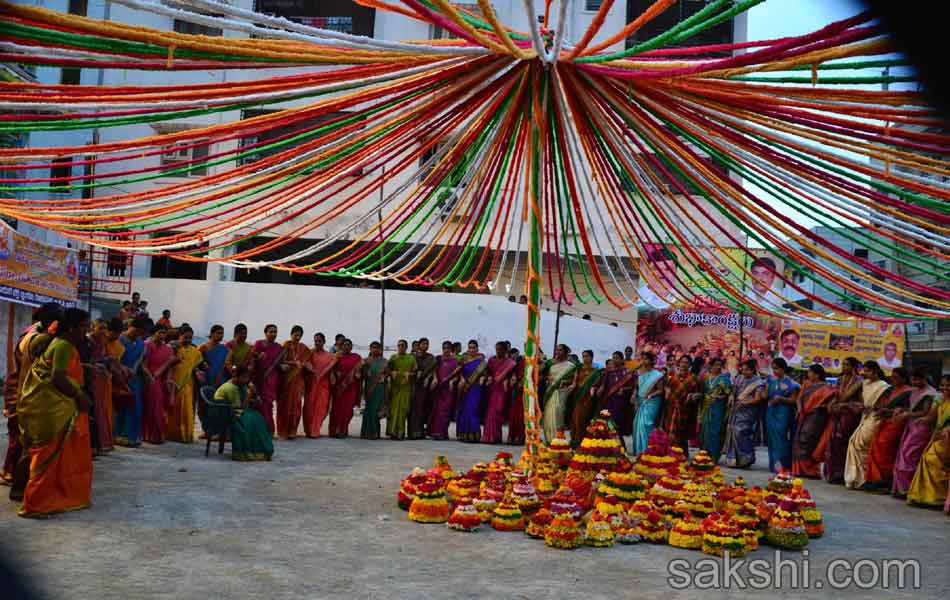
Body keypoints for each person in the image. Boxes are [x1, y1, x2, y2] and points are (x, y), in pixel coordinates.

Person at [16, 308, 93, 518]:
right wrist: (79, 396)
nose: (87, 331)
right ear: (73, 327)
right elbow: (57, 377)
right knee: (45, 459)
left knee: (48, 457)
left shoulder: (61, 344)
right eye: (85, 327)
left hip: (54, 408)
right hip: (52, 410)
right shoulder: (64, 346)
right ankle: (34, 505)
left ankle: (44, 499)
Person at [4, 303, 64, 497]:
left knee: (27, 445)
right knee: (27, 446)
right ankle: (19, 486)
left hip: (31, 395)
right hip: (29, 396)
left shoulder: (36, 334)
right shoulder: (35, 338)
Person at [864, 367, 914, 491]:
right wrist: (875, 409)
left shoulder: (909, 392)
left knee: (885, 448)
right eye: (893, 377)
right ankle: (874, 478)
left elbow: (908, 409)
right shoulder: (890, 389)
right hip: (884, 421)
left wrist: (889, 411)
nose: (894, 379)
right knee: (875, 446)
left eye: (897, 377)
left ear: (904, 378)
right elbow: (882, 404)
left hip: (896, 423)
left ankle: (885, 479)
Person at [843, 361, 892, 489]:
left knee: (862, 445)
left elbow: (883, 405)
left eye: (867, 371)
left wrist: (871, 408)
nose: (864, 373)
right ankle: (857, 478)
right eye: (863, 371)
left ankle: (864, 477)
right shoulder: (864, 383)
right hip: (865, 417)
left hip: (875, 418)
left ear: (875, 371)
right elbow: (847, 397)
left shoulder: (883, 386)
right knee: (853, 443)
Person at [892, 369, 940, 497]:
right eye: (913, 379)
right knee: (904, 454)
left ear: (924, 379)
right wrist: (902, 410)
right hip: (911, 425)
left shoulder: (930, 394)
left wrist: (907, 414)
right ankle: (902, 487)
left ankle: (907, 488)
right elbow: (912, 408)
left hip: (921, 428)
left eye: (917, 379)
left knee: (909, 455)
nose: (914, 382)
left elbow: (925, 412)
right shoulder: (915, 391)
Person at [906, 375, 950, 508]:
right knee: (927, 459)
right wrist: (922, 420)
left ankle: (939, 496)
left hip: (946, 438)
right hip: (938, 437)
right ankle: (928, 496)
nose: (944, 388)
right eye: (942, 385)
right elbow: (931, 416)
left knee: (932, 460)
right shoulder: (940, 399)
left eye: (948, 385)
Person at [214, 367, 273, 461]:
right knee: (250, 421)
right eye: (244, 377)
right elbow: (241, 407)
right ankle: (244, 452)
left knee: (258, 418)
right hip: (225, 413)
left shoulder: (240, 385)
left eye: (247, 377)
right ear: (236, 376)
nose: (246, 380)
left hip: (234, 410)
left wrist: (255, 396)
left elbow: (244, 404)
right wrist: (249, 395)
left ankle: (260, 451)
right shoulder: (231, 388)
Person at [791, 364, 836, 478]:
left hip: (816, 417)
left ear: (817, 375)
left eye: (810, 372)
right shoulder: (806, 384)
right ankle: (800, 470)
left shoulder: (826, 388)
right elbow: (799, 398)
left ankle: (811, 470)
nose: (808, 374)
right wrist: (800, 408)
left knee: (810, 441)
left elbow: (830, 402)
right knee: (800, 440)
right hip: (803, 415)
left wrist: (821, 406)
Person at [824, 357, 864, 483]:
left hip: (850, 414)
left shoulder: (859, 381)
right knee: (834, 442)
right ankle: (834, 473)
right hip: (838, 413)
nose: (844, 367)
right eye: (843, 364)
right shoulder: (840, 379)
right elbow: (837, 395)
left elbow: (861, 401)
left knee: (843, 442)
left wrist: (845, 405)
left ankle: (844, 473)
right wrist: (832, 404)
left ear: (853, 367)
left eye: (847, 365)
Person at [722, 360, 765, 468]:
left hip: (748, 411)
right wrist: (731, 397)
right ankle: (733, 459)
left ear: (752, 370)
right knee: (732, 431)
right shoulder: (739, 378)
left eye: (747, 370)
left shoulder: (758, 382)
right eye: (743, 369)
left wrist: (745, 403)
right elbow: (734, 391)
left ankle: (746, 458)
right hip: (736, 409)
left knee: (741, 432)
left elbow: (757, 399)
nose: (744, 371)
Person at [114, 318, 148, 448]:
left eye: (141, 332)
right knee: (120, 408)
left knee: (135, 408)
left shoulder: (141, 344)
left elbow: (139, 363)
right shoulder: (119, 340)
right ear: (130, 326)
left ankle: (131, 437)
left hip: (133, 379)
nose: (138, 334)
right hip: (118, 377)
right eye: (136, 330)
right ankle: (117, 435)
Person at [141, 324, 178, 444]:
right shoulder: (147, 345)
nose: (162, 335)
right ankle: (152, 435)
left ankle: (157, 434)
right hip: (149, 378)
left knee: (160, 407)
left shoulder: (168, 349)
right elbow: (143, 364)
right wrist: (150, 378)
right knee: (153, 406)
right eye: (160, 332)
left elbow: (170, 367)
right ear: (154, 333)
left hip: (162, 380)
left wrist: (168, 380)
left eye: (164, 333)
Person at [165, 325, 202, 444]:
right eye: (185, 337)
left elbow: (195, 366)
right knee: (172, 409)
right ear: (179, 336)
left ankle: (185, 435)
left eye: (190, 338)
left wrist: (198, 372)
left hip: (187, 384)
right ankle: (171, 434)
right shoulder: (172, 348)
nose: (188, 340)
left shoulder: (195, 351)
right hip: (173, 383)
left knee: (186, 409)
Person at [764, 358, 800, 473]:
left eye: (777, 368)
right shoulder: (769, 381)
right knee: (771, 438)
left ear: (783, 369)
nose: (774, 371)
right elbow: (765, 396)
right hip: (770, 411)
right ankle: (774, 465)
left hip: (783, 412)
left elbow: (794, 400)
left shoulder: (792, 383)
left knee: (781, 437)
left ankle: (784, 466)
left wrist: (781, 399)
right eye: (773, 368)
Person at [276, 325, 310, 440]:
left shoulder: (304, 348)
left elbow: (308, 361)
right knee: (284, 405)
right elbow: (280, 360)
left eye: (299, 335)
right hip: (287, 379)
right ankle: (282, 431)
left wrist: (306, 366)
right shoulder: (286, 345)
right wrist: (293, 363)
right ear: (291, 334)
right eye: (295, 334)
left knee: (296, 405)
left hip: (298, 380)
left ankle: (292, 431)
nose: (297, 337)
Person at [661, 355, 699, 457]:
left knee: (681, 434)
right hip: (671, 409)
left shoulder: (693, 379)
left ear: (690, 365)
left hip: (685, 411)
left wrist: (693, 396)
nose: (684, 364)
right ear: (679, 363)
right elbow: (667, 394)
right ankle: (669, 455)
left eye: (686, 362)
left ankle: (681, 456)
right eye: (682, 362)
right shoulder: (672, 378)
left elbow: (698, 395)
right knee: (669, 432)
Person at [697, 357, 731, 463]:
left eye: (720, 364)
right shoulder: (705, 378)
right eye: (716, 364)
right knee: (704, 431)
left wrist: (718, 398)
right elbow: (701, 392)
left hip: (718, 407)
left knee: (715, 431)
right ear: (711, 366)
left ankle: (714, 456)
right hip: (705, 407)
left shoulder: (724, 379)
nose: (718, 366)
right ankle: (703, 454)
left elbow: (728, 394)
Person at [541, 344, 576, 444]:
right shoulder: (549, 363)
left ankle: (559, 439)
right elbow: (540, 372)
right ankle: (549, 439)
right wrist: (547, 377)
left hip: (562, 391)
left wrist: (566, 382)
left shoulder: (571, 365)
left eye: (560, 350)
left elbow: (574, 380)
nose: (558, 352)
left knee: (558, 412)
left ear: (565, 352)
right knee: (547, 414)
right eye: (557, 350)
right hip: (550, 391)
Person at [303, 332, 336, 438]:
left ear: (324, 342)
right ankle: (309, 430)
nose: (317, 343)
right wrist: (311, 370)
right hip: (312, 385)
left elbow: (332, 371)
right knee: (309, 408)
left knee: (321, 409)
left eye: (319, 341)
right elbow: (304, 364)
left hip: (324, 386)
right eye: (315, 341)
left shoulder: (330, 356)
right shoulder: (309, 353)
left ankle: (315, 431)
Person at [632, 352, 665, 456]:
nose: (644, 361)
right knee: (637, 425)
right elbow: (636, 388)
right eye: (643, 358)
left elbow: (660, 390)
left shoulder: (657, 375)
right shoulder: (638, 373)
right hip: (640, 401)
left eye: (646, 359)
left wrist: (651, 395)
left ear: (652, 361)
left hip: (652, 402)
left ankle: (648, 451)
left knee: (646, 424)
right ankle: (639, 451)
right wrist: (633, 395)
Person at [483, 341, 517, 444]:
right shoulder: (492, 360)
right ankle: (489, 437)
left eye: (500, 349)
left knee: (498, 412)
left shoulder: (510, 363)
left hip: (502, 390)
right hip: (493, 388)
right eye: (496, 349)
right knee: (491, 413)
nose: (498, 351)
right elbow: (487, 371)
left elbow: (512, 375)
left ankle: (496, 436)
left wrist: (509, 380)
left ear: (505, 350)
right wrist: (488, 377)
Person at [252, 324, 282, 435]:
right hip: (260, 377)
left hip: (272, 379)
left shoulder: (279, 347)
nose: (273, 334)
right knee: (259, 403)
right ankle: (259, 429)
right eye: (271, 332)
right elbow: (252, 356)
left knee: (268, 404)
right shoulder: (259, 343)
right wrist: (258, 355)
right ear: (265, 333)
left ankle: (269, 430)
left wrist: (283, 366)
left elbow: (280, 363)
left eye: (275, 332)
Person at [568, 350, 602, 447]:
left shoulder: (596, 372)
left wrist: (593, 388)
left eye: (587, 356)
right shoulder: (579, 369)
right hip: (578, 396)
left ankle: (584, 441)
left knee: (585, 418)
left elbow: (597, 384)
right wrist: (570, 388)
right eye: (583, 356)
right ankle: (576, 440)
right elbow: (575, 381)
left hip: (588, 398)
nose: (584, 358)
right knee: (576, 418)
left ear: (591, 357)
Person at [329, 339, 362, 438]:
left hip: (351, 388)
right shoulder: (336, 356)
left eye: (349, 345)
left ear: (351, 347)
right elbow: (330, 369)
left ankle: (343, 430)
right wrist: (335, 374)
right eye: (345, 345)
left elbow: (362, 370)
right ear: (341, 346)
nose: (347, 347)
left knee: (347, 410)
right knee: (337, 410)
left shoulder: (356, 357)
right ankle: (335, 431)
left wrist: (359, 374)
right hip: (339, 388)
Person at [428, 341, 460, 440]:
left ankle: (443, 432)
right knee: (436, 410)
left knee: (445, 411)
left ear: (451, 349)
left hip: (448, 390)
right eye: (444, 348)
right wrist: (435, 378)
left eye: (448, 348)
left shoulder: (455, 361)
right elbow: (433, 370)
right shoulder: (438, 359)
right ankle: (435, 432)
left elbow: (458, 375)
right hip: (438, 388)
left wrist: (452, 381)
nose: (446, 350)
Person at [456, 340, 486, 443]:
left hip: (476, 388)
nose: (472, 349)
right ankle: (464, 435)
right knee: (464, 410)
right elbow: (459, 372)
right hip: (465, 388)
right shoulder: (464, 361)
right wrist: (462, 379)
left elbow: (485, 373)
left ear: (477, 349)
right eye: (470, 347)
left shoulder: (481, 362)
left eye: (474, 347)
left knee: (473, 410)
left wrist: (483, 378)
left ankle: (474, 435)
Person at [386, 339, 416, 441]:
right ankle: (392, 432)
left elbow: (416, 372)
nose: (400, 347)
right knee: (393, 411)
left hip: (405, 388)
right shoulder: (393, 358)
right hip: (394, 388)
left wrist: (409, 374)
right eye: (399, 345)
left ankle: (400, 433)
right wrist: (391, 372)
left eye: (402, 345)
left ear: (406, 347)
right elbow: (386, 370)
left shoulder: (411, 358)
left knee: (403, 411)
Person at [599, 352, 634, 434]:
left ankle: (618, 439)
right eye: (613, 357)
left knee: (617, 419)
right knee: (608, 417)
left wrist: (623, 389)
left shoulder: (626, 372)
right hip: (609, 398)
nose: (614, 360)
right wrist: (601, 388)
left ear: (622, 360)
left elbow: (632, 386)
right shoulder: (609, 371)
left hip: (620, 400)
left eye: (617, 358)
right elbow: (604, 383)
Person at [409, 338, 436, 440]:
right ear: (419, 345)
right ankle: (412, 432)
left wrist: (430, 378)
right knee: (413, 409)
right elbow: (409, 368)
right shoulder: (412, 356)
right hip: (413, 384)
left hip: (425, 386)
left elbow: (433, 370)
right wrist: (415, 374)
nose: (425, 345)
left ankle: (421, 432)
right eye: (423, 344)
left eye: (427, 344)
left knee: (422, 408)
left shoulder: (430, 357)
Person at [360, 341, 388, 440]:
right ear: (370, 349)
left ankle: (375, 433)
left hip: (379, 388)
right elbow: (361, 375)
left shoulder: (384, 361)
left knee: (375, 410)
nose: (375, 349)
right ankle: (366, 433)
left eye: (377, 347)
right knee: (368, 410)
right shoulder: (366, 360)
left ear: (380, 349)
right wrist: (364, 370)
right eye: (373, 347)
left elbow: (387, 374)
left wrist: (384, 377)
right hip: (369, 388)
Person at [198, 325, 229, 391]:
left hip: (220, 378)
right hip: (207, 377)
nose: (221, 335)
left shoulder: (225, 349)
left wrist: (220, 376)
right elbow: (196, 361)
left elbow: (225, 364)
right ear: (212, 334)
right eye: (218, 333)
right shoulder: (203, 347)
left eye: (222, 333)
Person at [506, 348, 526, 446]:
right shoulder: (519, 360)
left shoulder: (535, 362)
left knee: (524, 414)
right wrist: (514, 380)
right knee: (515, 413)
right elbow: (513, 372)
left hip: (528, 391)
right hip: (517, 390)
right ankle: (513, 436)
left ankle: (521, 437)